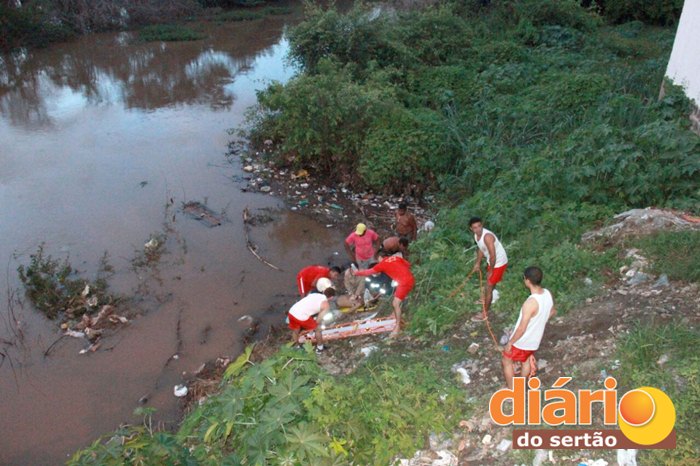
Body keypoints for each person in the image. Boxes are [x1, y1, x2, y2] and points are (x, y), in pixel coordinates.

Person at [501, 266, 556, 389]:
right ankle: (520, 386)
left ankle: (512, 390)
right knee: (525, 361)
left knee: (506, 361)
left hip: (522, 342)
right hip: (535, 341)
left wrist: (510, 343)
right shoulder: (547, 293)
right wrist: (539, 322)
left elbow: (521, 328)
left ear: (527, 280)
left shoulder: (530, 303)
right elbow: (552, 311)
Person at [353, 253, 414, 336]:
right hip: (409, 279)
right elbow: (408, 265)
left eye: (377, 260)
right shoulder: (395, 258)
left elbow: (368, 272)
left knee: (395, 303)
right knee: (396, 298)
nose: (378, 261)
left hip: (403, 283)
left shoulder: (382, 264)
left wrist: (357, 273)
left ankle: (397, 327)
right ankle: (395, 315)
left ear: (379, 257)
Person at [469, 217, 508, 321]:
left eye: (479, 226)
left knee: (489, 286)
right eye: (475, 227)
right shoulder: (476, 236)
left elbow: (493, 255)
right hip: (492, 262)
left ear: (482, 225)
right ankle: (488, 298)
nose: (478, 229)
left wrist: (491, 271)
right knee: (490, 283)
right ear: (471, 229)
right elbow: (481, 249)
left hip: (498, 263)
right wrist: (477, 263)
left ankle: (485, 313)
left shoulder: (487, 237)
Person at [288, 284, 336, 352]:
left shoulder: (314, 294)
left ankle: (297, 346)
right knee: (318, 329)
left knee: (296, 330)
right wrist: (315, 325)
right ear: (331, 297)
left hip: (292, 311)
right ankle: (320, 348)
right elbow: (318, 320)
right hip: (301, 316)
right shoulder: (325, 305)